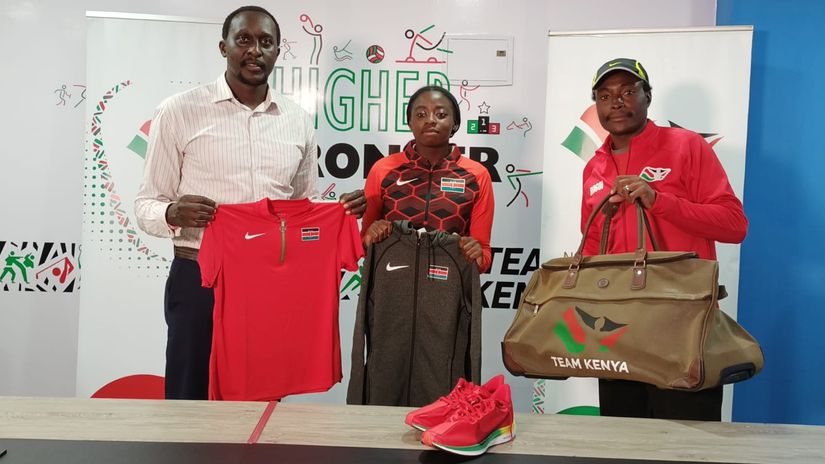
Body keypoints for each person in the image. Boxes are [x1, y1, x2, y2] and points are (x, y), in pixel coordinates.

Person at [135, 5, 365, 400]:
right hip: (201, 278)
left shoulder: (297, 120)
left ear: (278, 52)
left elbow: (303, 205)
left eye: (266, 42)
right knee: (190, 394)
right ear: (223, 47)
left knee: (262, 398)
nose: (255, 50)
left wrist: (337, 213)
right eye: (244, 39)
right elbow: (146, 204)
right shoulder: (178, 111)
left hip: (270, 282)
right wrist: (172, 213)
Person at [581, 58, 748, 420]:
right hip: (616, 332)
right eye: (605, 95)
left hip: (682, 327)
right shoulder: (593, 168)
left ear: (647, 96)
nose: (617, 102)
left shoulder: (686, 146)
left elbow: (734, 225)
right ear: (596, 106)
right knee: (621, 444)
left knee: (687, 446)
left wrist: (659, 201)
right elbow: (593, 248)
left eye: (628, 91)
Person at [361, 85, 494, 272]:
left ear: (455, 123)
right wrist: (370, 237)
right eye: (421, 114)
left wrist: (477, 254)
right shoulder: (383, 169)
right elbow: (363, 243)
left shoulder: (477, 175)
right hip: (391, 287)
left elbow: (484, 254)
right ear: (409, 122)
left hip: (449, 290)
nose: (431, 120)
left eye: (440, 115)